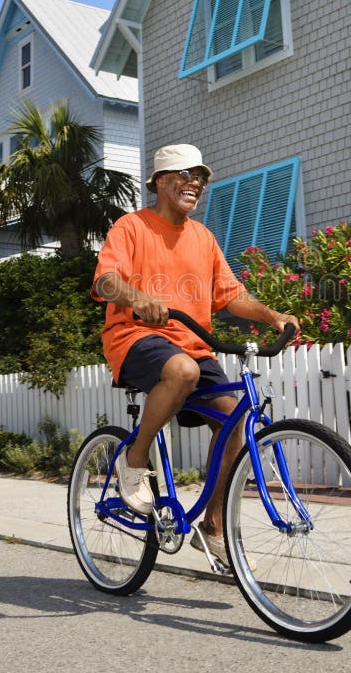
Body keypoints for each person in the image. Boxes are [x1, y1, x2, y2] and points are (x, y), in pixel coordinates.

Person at [92, 143, 299, 569]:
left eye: (200, 177)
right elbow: (104, 282)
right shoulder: (131, 227)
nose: (196, 183)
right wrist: (137, 297)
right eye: (185, 175)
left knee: (235, 418)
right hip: (134, 336)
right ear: (161, 182)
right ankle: (133, 463)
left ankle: (213, 529)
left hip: (191, 342)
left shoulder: (203, 238)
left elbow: (231, 295)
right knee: (181, 370)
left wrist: (273, 316)